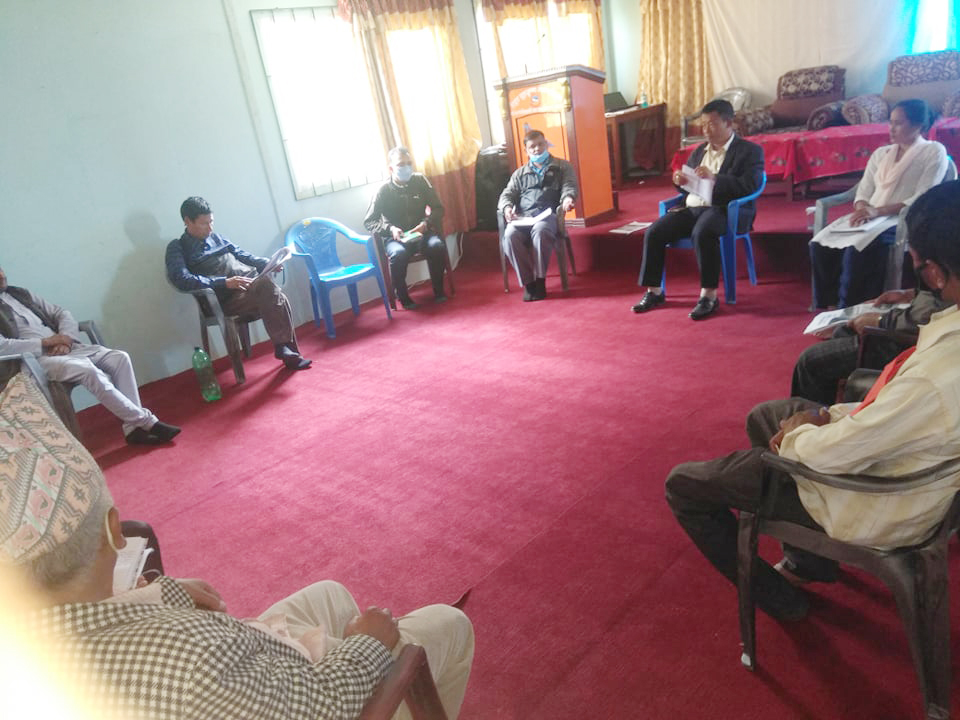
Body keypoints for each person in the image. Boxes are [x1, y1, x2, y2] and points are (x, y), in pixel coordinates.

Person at [2, 372, 474, 720]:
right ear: (113, 530)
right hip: (300, 696)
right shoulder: (186, 663)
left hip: (242, 683)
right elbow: (323, 706)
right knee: (449, 625)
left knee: (330, 595)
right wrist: (367, 645)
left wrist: (162, 594)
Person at [665, 181, 960, 620]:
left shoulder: (937, 374)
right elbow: (894, 416)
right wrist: (824, 414)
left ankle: (784, 603)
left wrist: (800, 434)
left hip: (878, 499)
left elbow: (844, 449)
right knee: (766, 415)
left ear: (933, 274)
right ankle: (810, 561)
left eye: (916, 268)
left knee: (683, 484)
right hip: (906, 459)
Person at [0, 266, 180, 445]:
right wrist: (46, 342)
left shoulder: (20, 293)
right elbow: (3, 346)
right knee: (87, 370)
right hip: (36, 361)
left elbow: (60, 313)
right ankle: (146, 422)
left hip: (65, 348)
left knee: (119, 358)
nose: (1, 275)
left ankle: (133, 429)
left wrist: (65, 340)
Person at [632, 99, 764, 320]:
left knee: (703, 232)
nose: (706, 130)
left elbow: (750, 185)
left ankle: (708, 296)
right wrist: (679, 181)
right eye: (703, 125)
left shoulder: (750, 151)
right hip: (693, 207)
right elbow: (688, 186)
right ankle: (654, 291)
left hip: (725, 209)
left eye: (711, 124)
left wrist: (716, 179)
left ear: (728, 123)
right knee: (654, 232)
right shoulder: (699, 151)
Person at [810, 99, 948, 309]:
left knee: (858, 250)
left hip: (902, 218)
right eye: (890, 122)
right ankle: (828, 306)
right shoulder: (881, 153)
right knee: (821, 243)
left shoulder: (933, 151)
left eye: (898, 123)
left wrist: (878, 211)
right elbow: (864, 190)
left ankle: (852, 307)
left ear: (918, 125)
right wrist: (862, 211)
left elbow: (924, 196)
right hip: (870, 216)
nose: (891, 128)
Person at [166, 197, 311, 371]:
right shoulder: (178, 247)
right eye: (204, 224)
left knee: (269, 287)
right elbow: (181, 279)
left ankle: (286, 350)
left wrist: (268, 263)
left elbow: (244, 256)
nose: (210, 228)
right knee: (275, 294)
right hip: (223, 300)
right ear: (187, 221)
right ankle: (285, 350)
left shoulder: (217, 238)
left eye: (211, 222)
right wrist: (224, 283)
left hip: (250, 286)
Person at [791, 283, 949, 405]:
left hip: (911, 343)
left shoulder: (943, 265)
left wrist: (880, 321)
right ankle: (833, 411)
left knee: (810, 361)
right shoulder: (942, 268)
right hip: (909, 325)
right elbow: (936, 293)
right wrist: (911, 293)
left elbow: (924, 317)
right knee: (842, 331)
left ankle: (809, 424)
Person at [498, 129, 578, 302]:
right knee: (510, 236)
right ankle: (529, 283)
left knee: (541, 232)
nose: (537, 149)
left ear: (546, 144)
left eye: (541, 144)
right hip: (524, 217)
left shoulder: (562, 166)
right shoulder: (520, 173)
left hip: (548, 216)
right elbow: (507, 194)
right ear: (526, 150)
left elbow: (569, 186)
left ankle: (540, 281)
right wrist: (507, 208)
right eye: (532, 147)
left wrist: (568, 198)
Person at [364, 147, 448, 309]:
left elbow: (439, 209)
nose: (406, 168)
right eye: (401, 164)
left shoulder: (420, 181)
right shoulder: (383, 190)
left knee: (437, 246)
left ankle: (439, 291)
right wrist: (390, 229)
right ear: (391, 168)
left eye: (409, 163)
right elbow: (370, 221)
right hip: (396, 238)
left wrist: (426, 223)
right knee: (398, 255)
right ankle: (403, 298)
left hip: (422, 233)